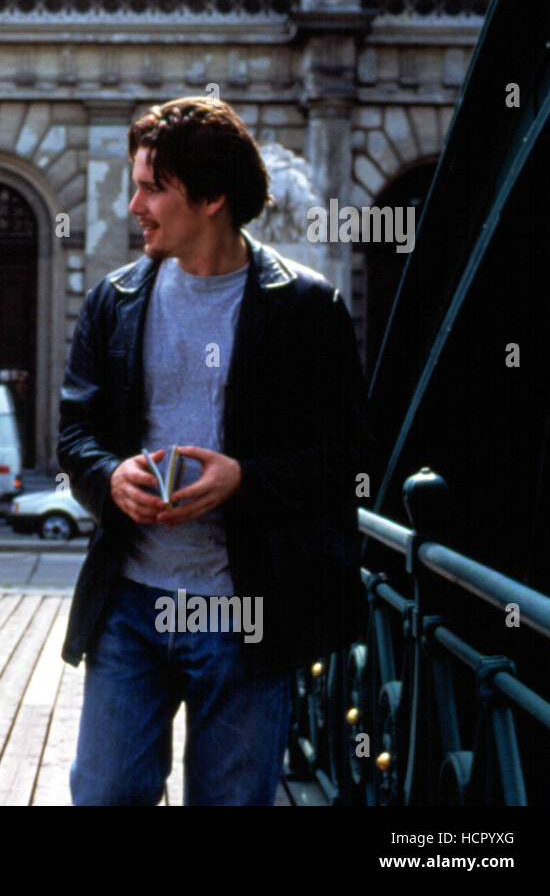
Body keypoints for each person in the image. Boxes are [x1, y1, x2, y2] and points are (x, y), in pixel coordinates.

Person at [58, 97, 374, 805]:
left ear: (211, 197)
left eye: (151, 187)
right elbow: (74, 437)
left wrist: (245, 481)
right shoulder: (114, 299)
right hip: (131, 605)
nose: (133, 202)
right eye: (135, 182)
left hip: (245, 612)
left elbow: (354, 459)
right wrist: (111, 478)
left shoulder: (305, 307)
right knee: (104, 794)